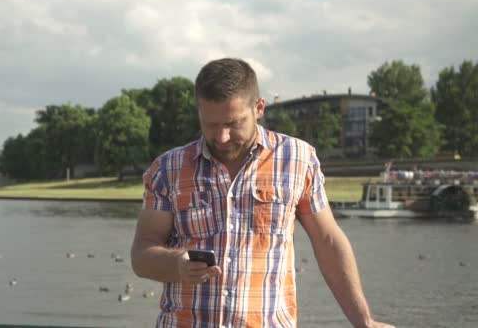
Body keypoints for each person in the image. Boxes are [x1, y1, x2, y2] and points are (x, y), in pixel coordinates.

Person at [130, 58, 394, 328]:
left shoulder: (297, 159)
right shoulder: (167, 168)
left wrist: (364, 321)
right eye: (211, 124)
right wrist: (177, 264)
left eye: (233, 123)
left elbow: (327, 240)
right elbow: (141, 255)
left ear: (258, 108)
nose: (221, 137)